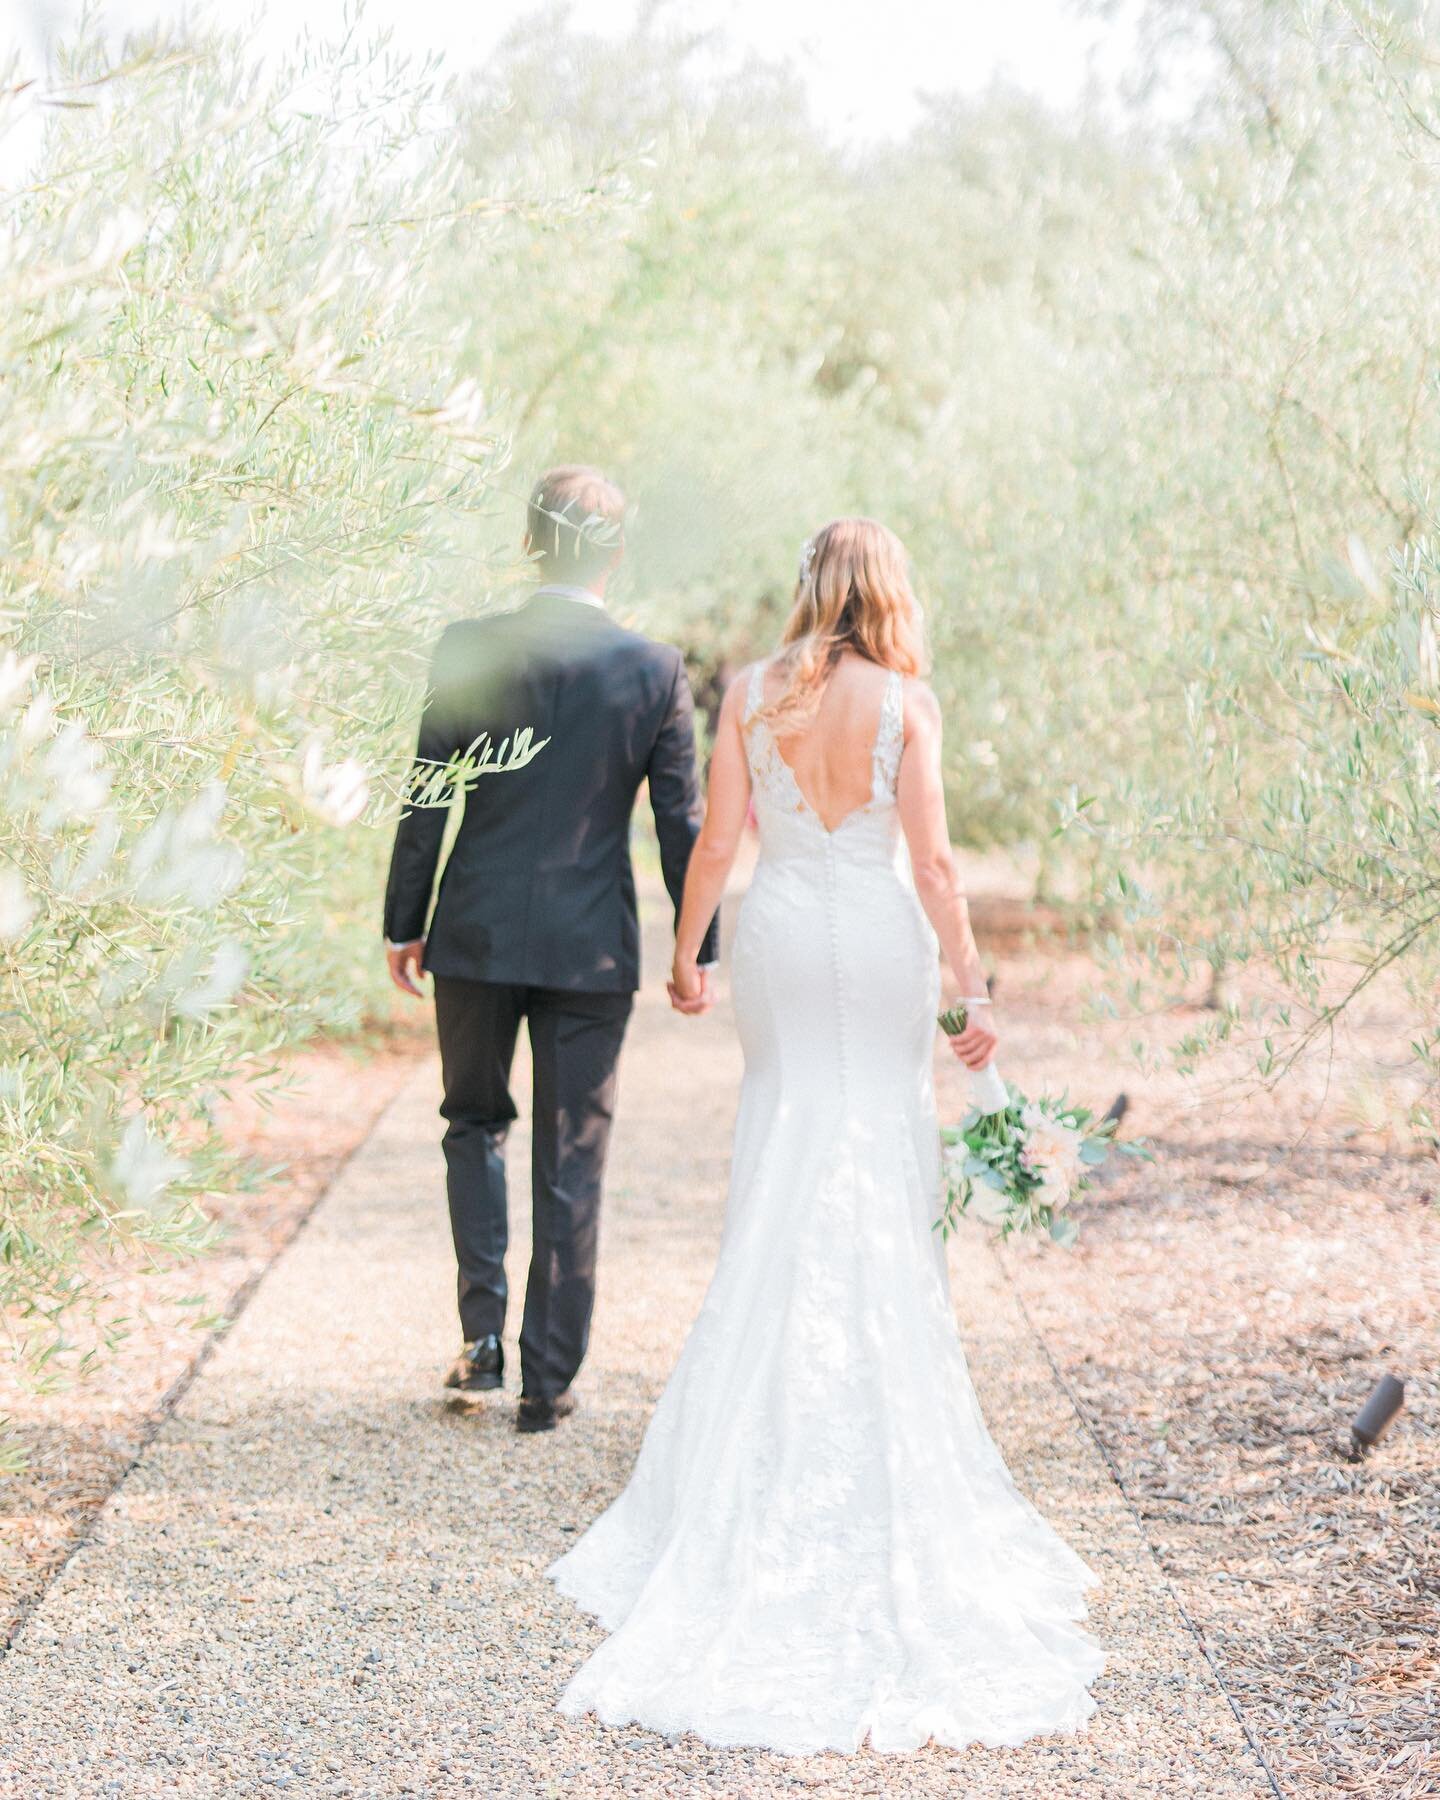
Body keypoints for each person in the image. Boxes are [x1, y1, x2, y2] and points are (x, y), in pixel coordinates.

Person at [548, 517, 1105, 1751]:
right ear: (890, 592)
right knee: (873, 1142)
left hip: (789, 936)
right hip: (879, 940)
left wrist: (689, 951)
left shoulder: (752, 691)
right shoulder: (908, 701)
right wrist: (970, 989)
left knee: (790, 1135)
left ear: (810, 588)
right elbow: (938, 863)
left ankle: (754, 1435)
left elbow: (718, 840)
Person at [382, 465, 718, 1434]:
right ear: (615, 553)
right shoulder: (653, 670)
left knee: (474, 1122)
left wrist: (406, 920)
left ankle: (481, 1338)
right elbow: (680, 825)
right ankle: (548, 1377)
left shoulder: (468, 647)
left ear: (531, 543)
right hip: (589, 949)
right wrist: (697, 949)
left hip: (476, 931)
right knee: (573, 1153)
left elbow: (428, 794)